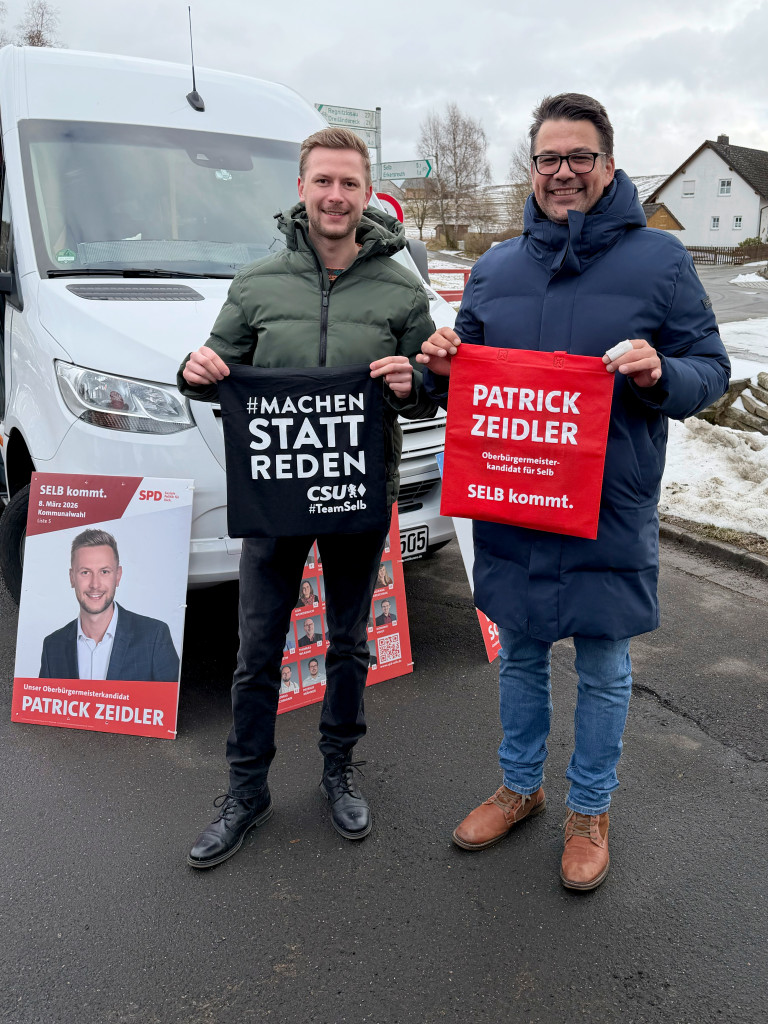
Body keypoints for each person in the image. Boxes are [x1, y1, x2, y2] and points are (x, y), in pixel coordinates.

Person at [418, 93, 730, 891]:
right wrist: (443, 360)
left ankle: (591, 810)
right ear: (533, 169)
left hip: (608, 504)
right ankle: (520, 789)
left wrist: (664, 374)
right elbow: (467, 382)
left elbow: (711, 371)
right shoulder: (495, 265)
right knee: (519, 656)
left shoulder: (660, 261)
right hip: (515, 503)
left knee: (604, 665)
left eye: (579, 157)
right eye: (549, 159)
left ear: (608, 165)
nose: (564, 173)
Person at [179, 126, 436, 868]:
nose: (334, 195)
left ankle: (338, 769)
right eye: (322, 181)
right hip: (275, 500)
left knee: (350, 644)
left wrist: (414, 381)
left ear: (365, 193)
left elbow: (431, 383)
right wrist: (191, 371)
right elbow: (214, 365)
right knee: (257, 649)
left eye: (349, 183)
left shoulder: (398, 285)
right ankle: (246, 788)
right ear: (301, 188)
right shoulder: (256, 282)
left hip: (357, 493)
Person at [39, 529, 180, 683]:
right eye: (85, 572)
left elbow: (169, 705)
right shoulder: (52, 646)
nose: (95, 584)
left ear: (118, 576)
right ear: (72, 578)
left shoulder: (154, 636)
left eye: (104, 572)